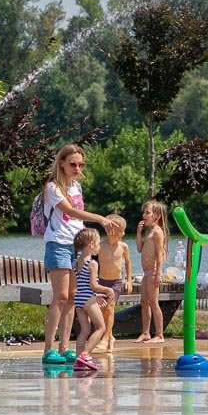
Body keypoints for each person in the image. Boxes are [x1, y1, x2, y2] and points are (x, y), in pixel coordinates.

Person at [40, 144, 108, 364]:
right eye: (73, 164)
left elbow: (76, 220)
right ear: (61, 163)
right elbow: (68, 211)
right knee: (60, 297)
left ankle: (65, 347)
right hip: (58, 244)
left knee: (71, 298)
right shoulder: (53, 187)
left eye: (80, 164)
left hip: (74, 247)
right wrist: (98, 218)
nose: (77, 168)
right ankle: (48, 349)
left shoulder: (77, 187)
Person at [72, 228, 113, 370]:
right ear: (91, 244)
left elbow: (81, 284)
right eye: (98, 244)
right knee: (101, 327)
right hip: (88, 298)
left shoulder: (76, 263)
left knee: (84, 330)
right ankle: (86, 354)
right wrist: (107, 290)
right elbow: (94, 285)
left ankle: (78, 360)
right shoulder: (92, 263)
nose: (99, 247)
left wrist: (96, 295)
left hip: (78, 298)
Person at [97, 214, 133, 352]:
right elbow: (92, 263)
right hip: (102, 281)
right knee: (102, 310)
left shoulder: (123, 246)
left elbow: (128, 263)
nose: (123, 233)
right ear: (109, 229)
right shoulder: (100, 246)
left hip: (116, 282)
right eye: (120, 230)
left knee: (110, 308)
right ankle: (111, 337)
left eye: (124, 230)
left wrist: (128, 280)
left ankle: (105, 338)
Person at [135, 200, 168, 343]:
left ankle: (159, 335)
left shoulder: (157, 232)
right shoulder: (149, 231)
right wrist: (138, 232)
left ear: (157, 216)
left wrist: (159, 273)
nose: (144, 215)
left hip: (154, 271)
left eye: (148, 212)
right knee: (144, 302)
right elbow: (139, 249)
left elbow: (160, 254)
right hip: (146, 272)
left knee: (154, 303)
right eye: (144, 212)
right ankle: (146, 332)